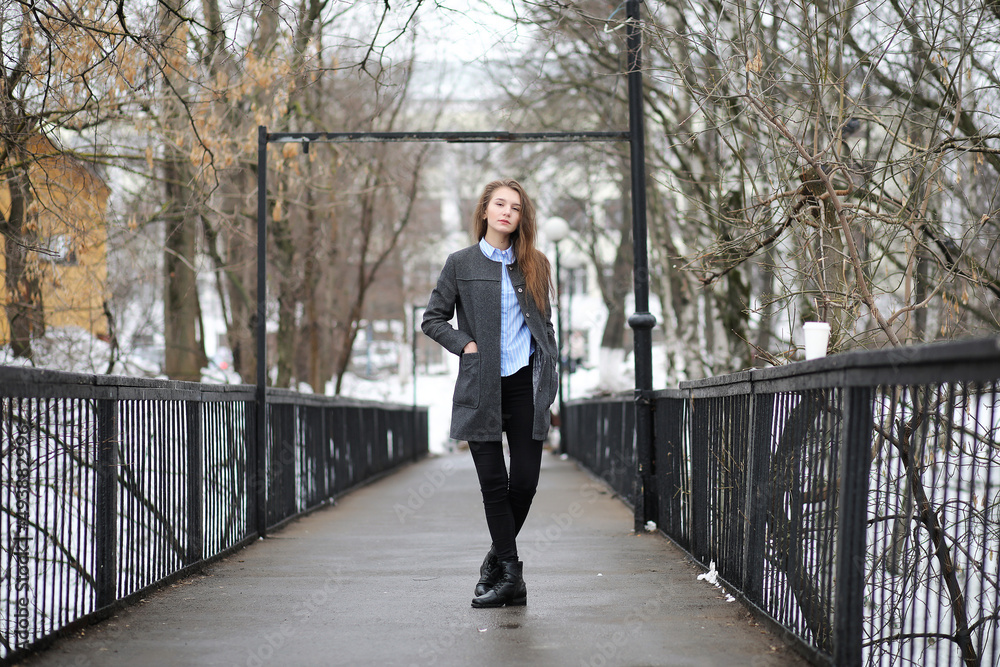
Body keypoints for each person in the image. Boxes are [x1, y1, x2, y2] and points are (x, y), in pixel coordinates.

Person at [421, 178, 559, 608]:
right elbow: (432, 319)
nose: (506, 213)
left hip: (525, 385)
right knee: (494, 484)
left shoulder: (536, 263)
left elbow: (545, 325)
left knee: (525, 482)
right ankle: (512, 576)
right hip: (481, 385)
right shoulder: (460, 263)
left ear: (521, 218)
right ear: (484, 210)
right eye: (500, 204)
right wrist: (465, 344)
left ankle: (495, 562)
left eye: (515, 208)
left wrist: (550, 363)